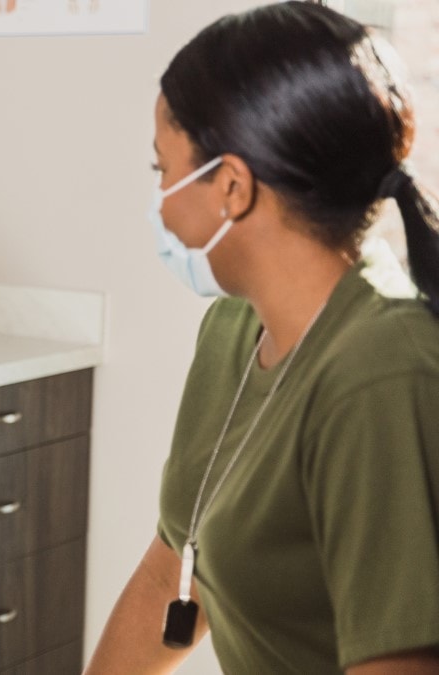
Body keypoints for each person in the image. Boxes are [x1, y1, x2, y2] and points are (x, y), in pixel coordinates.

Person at [86, 3, 439, 674]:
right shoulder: (232, 330)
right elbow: (175, 573)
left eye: (162, 170)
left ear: (231, 187)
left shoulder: (382, 373)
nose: (159, 201)